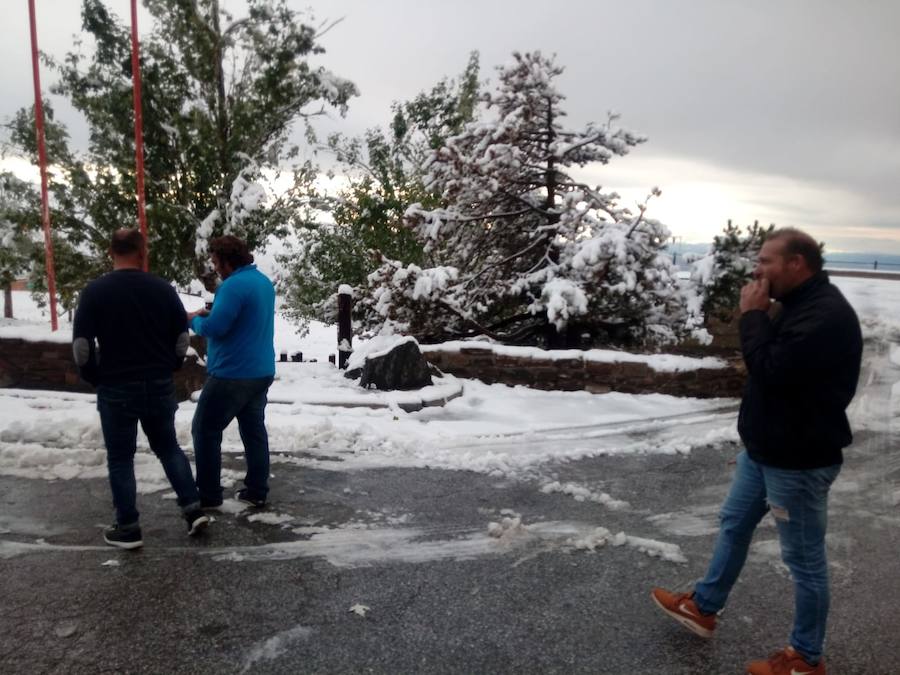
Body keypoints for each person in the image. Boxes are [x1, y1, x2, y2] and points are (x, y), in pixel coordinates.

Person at [651, 228, 862, 675]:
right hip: (766, 450)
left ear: (796, 263)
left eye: (766, 260)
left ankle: (805, 658)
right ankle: (703, 607)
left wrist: (752, 316)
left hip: (799, 461)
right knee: (733, 525)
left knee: (804, 561)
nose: (756, 269)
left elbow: (771, 369)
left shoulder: (825, 316)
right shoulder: (797, 305)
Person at [73, 229, 210, 549]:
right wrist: (172, 366)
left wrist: (93, 375)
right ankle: (193, 510)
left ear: (112, 252)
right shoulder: (163, 289)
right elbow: (181, 339)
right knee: (168, 448)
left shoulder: (95, 291)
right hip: (158, 383)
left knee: (121, 458)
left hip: (116, 385)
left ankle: (129, 527)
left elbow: (82, 346)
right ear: (141, 252)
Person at [187, 235, 275, 509]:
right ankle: (256, 490)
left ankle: (209, 495)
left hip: (232, 374)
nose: (214, 267)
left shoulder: (233, 286)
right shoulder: (262, 282)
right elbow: (241, 318)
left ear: (228, 260)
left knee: (204, 429)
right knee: (253, 431)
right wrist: (211, 313)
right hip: (260, 371)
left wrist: (195, 322)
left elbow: (216, 328)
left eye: (216, 262)